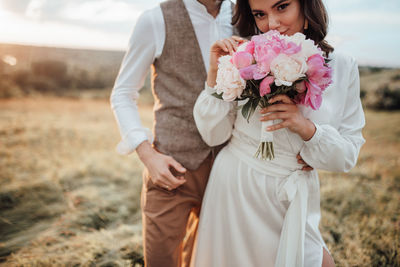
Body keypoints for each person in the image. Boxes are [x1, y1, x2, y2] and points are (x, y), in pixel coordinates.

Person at [191, 0, 366, 266]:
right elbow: (212, 135)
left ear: (307, 8)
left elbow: (347, 155)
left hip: (294, 191)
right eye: (260, 14)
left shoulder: (343, 67)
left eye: (282, 7)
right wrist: (216, 72)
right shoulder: (244, 57)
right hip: (238, 186)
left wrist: (308, 130)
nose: (271, 24)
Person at [110, 0, 235, 266]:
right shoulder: (155, 19)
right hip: (172, 168)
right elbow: (123, 93)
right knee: (161, 261)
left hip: (230, 169)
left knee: (210, 260)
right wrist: (148, 155)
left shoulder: (249, 17)